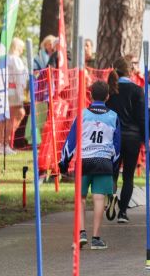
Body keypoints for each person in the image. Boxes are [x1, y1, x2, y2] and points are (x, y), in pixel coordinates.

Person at [60, 81, 120, 250]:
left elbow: (70, 142)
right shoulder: (114, 116)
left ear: (91, 95)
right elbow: (117, 146)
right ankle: (96, 238)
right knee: (99, 198)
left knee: (81, 198)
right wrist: (114, 167)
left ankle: (81, 234)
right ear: (108, 96)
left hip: (84, 160)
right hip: (104, 161)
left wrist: (63, 162)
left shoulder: (83, 115)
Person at [106, 56, 145, 224]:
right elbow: (141, 117)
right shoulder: (137, 90)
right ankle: (123, 212)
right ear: (130, 71)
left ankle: (111, 199)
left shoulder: (110, 90)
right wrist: (144, 138)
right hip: (132, 137)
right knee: (128, 176)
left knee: (112, 174)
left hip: (113, 136)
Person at [0, 37, 28, 154]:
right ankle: (3, 143)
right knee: (11, 117)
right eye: (21, 48)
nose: (22, 50)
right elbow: (20, 78)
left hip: (0, 91)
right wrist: (21, 93)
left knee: (4, 118)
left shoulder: (0, 59)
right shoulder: (16, 60)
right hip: (12, 92)